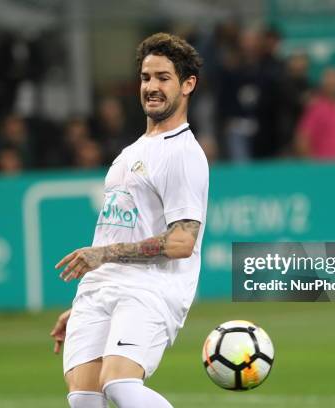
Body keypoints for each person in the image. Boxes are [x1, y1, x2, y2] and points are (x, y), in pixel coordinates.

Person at [51, 33, 208, 408]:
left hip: (149, 290)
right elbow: (119, 227)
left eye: (163, 78)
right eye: (145, 77)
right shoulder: (130, 152)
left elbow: (181, 242)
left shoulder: (183, 154)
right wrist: (88, 298)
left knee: (119, 386)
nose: (151, 87)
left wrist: (103, 255)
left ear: (187, 85)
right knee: (83, 399)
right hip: (100, 290)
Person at [295, 67, 335, 160]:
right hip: (321, 169)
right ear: (323, 86)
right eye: (330, 84)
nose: (334, 86)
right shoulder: (315, 108)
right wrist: (313, 166)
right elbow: (302, 139)